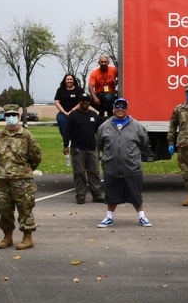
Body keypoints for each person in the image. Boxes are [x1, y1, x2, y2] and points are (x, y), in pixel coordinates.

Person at [0, 104, 42, 250]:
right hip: (1, 179)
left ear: (18, 117)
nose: (10, 118)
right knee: (3, 208)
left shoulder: (26, 135)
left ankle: (27, 237)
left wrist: (24, 170)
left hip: (22, 180)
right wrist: (3, 169)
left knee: (25, 208)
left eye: (13, 115)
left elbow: (36, 156)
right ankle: (7, 237)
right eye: (8, 115)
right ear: (4, 117)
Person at [96, 98, 152, 228]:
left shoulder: (137, 126)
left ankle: (142, 217)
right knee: (111, 195)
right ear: (113, 109)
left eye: (123, 106)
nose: (120, 109)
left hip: (132, 168)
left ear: (127, 109)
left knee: (136, 195)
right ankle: (109, 217)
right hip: (111, 168)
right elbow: (100, 144)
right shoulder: (104, 127)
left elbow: (144, 143)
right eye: (118, 106)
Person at [63, 95, 104, 204]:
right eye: (83, 100)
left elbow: (98, 132)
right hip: (78, 149)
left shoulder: (93, 115)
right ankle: (80, 196)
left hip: (91, 148)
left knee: (94, 172)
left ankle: (97, 195)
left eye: (87, 101)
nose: (85, 102)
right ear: (79, 102)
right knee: (79, 173)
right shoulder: (73, 115)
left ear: (89, 102)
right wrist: (66, 145)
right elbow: (67, 131)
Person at [54, 74, 88, 147]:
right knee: (61, 120)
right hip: (63, 113)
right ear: (65, 81)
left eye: (71, 79)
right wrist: (64, 112)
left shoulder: (79, 90)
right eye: (67, 79)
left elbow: (81, 102)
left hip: (76, 112)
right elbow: (57, 102)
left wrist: (71, 111)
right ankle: (67, 140)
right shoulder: (60, 90)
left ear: (74, 80)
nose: (69, 81)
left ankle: (76, 140)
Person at [88, 55, 118, 120]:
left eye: (105, 62)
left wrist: (117, 82)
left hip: (110, 93)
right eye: (101, 62)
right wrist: (95, 98)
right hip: (99, 93)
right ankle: (101, 111)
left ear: (108, 62)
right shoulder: (94, 73)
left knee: (107, 98)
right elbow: (90, 87)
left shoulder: (114, 70)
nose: (103, 63)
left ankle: (110, 113)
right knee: (89, 99)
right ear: (99, 63)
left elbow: (122, 76)